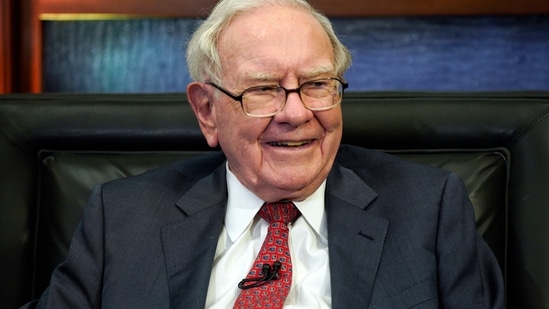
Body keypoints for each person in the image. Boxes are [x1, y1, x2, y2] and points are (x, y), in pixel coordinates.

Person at [22, 0, 504, 308]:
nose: (295, 113)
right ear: (207, 111)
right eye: (264, 90)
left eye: (317, 84)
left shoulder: (431, 208)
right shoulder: (123, 218)